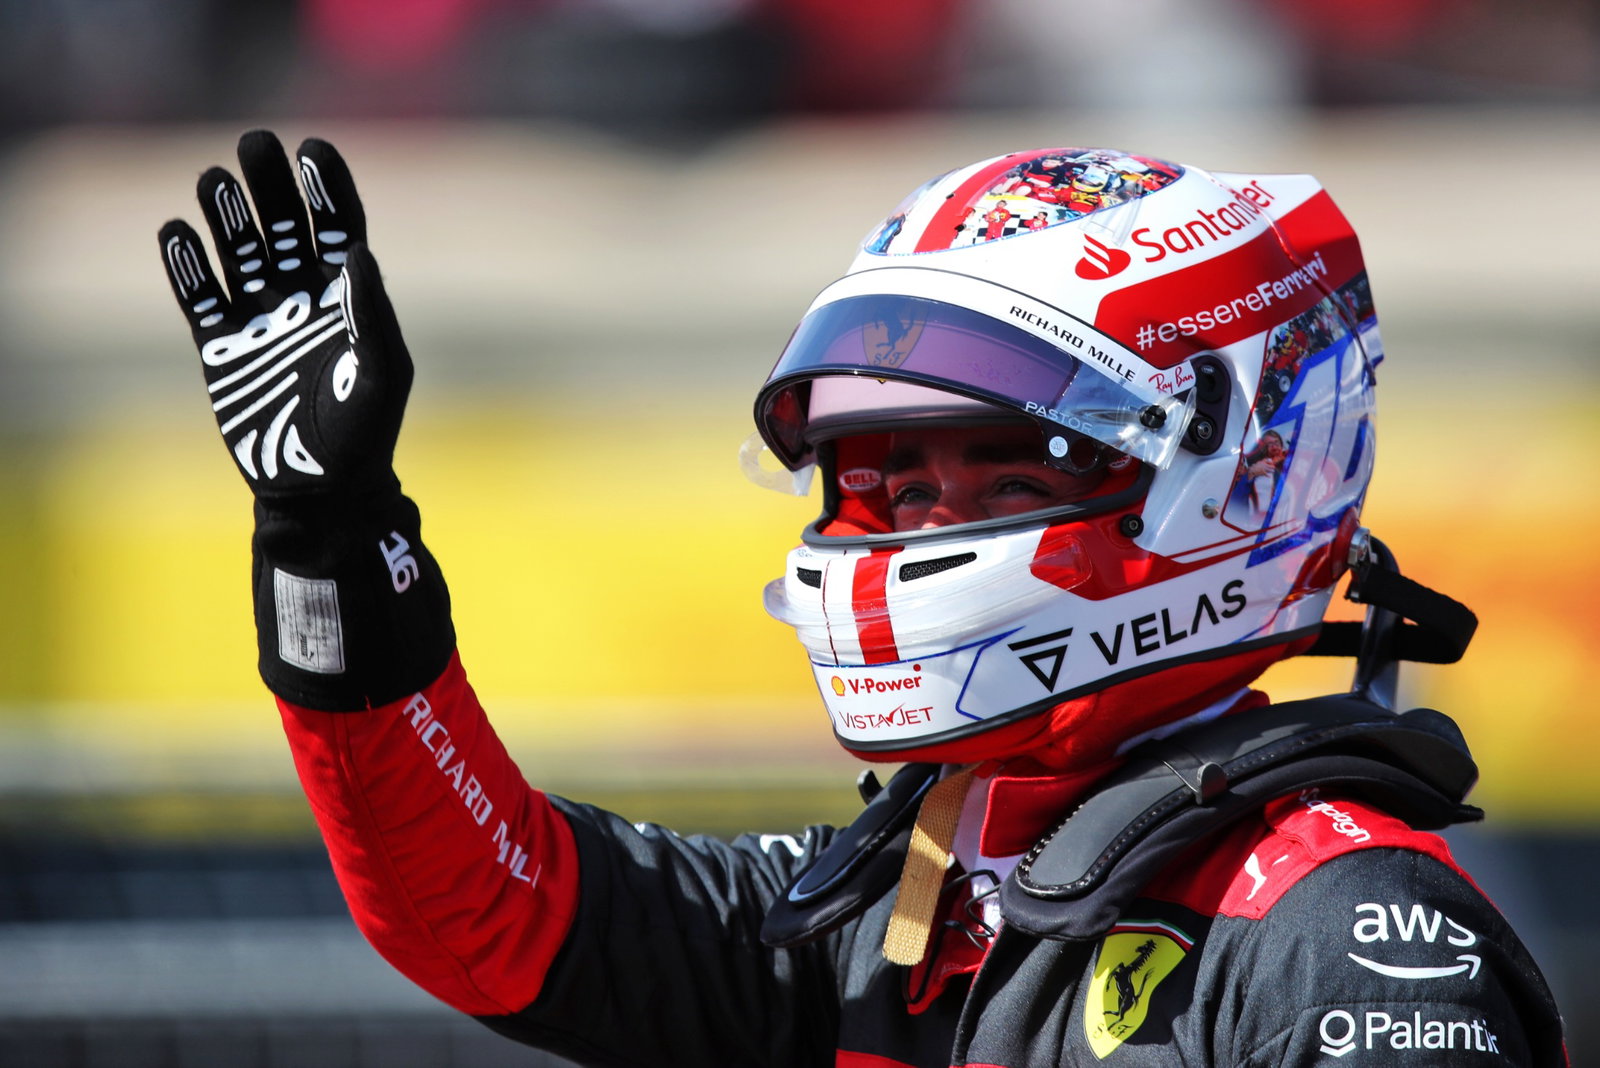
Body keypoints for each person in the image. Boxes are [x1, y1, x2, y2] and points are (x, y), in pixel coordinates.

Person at [158, 131, 1567, 1066]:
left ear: (1242, 476)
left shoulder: (1348, 937)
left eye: (1007, 478)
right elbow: (490, 909)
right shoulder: (913, 896)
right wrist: (330, 540)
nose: (918, 530)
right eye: (889, 483)